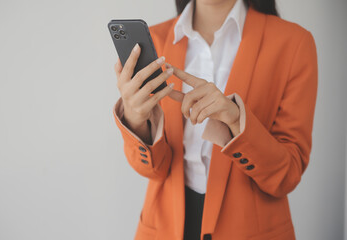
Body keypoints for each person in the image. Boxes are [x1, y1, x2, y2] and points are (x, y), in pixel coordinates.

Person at [112, 0, 318, 239]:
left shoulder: (294, 42)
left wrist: (236, 120)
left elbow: (287, 176)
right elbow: (153, 171)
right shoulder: (155, 42)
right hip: (163, 229)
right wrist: (136, 121)